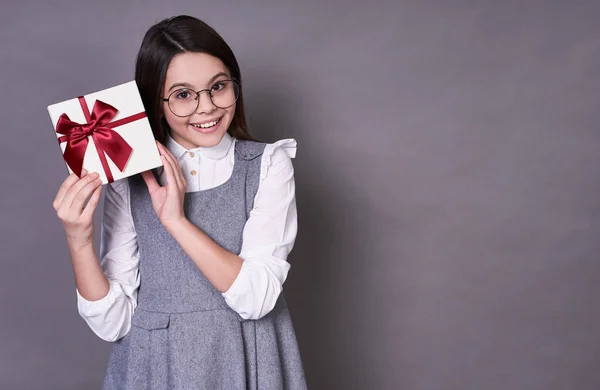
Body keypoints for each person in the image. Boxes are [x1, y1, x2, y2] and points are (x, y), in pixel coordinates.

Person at [52, 15, 307, 390]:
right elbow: (114, 323)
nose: (206, 107)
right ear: (155, 102)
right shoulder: (129, 178)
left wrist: (175, 221)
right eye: (183, 94)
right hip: (156, 364)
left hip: (248, 355)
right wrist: (78, 240)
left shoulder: (269, 164)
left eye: (218, 87)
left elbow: (257, 297)